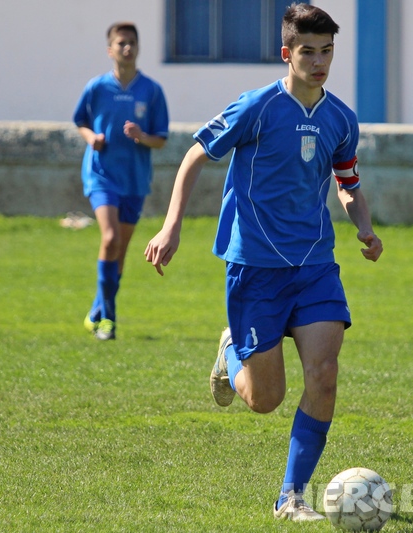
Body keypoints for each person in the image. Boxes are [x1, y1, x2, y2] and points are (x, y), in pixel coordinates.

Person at [144, 3, 382, 521]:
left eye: (327, 52)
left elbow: (347, 181)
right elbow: (195, 156)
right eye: (308, 52)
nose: (319, 62)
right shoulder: (256, 107)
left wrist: (362, 224)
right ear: (287, 54)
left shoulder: (341, 118)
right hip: (254, 265)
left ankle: (290, 496)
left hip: (315, 263)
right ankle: (232, 352)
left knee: (324, 373)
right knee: (264, 399)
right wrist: (171, 225)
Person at [74, 22, 169, 341]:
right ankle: (109, 320)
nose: (127, 48)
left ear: (138, 48)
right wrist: (92, 138)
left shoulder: (151, 91)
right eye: (121, 43)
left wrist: (142, 137)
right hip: (102, 175)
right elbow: (80, 122)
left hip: (135, 179)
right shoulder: (97, 87)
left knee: (121, 250)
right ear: (110, 49)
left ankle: (97, 310)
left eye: (132, 43)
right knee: (110, 237)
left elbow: (161, 140)